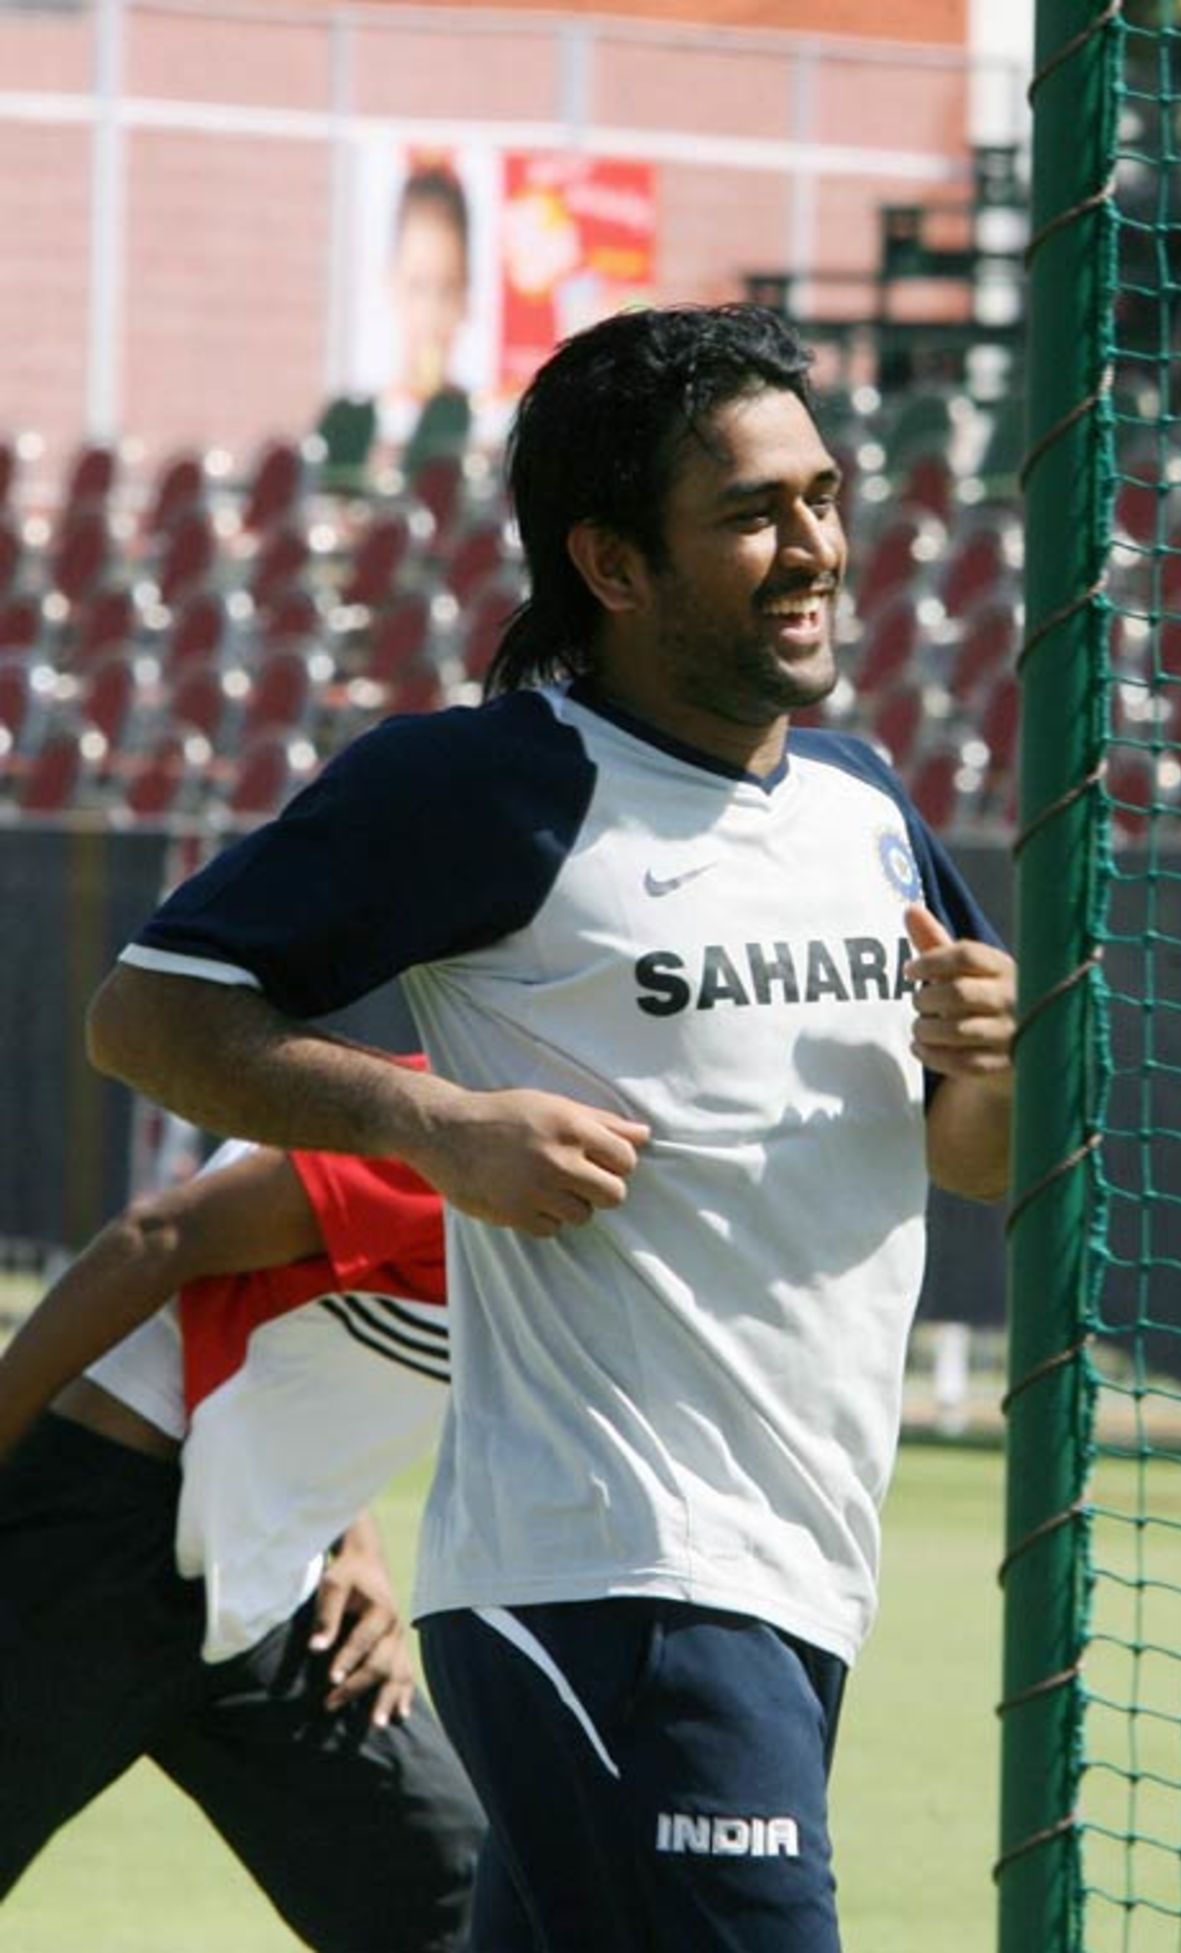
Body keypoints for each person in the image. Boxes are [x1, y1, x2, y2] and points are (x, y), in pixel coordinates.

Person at [85, 300, 1018, 1950]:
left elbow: (974, 1156)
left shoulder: (868, 805)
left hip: (801, 1575)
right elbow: (148, 1014)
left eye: (821, 496)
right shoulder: (485, 784)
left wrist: (995, 1058)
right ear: (614, 562)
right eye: (752, 512)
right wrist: (434, 1124)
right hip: (615, 1576)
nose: (815, 546)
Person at [0, 1102, 483, 1953]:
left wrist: (354, 1543)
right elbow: (159, 1233)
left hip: (263, 1579)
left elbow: (304, 1339)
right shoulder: (475, 1133)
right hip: (86, 1545)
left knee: (463, 1899)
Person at [317, 164, 473, 491]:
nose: (431, 313)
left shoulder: (471, 420)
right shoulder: (350, 417)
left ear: (465, 297)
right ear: (392, 285)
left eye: (447, 288)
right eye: (417, 287)